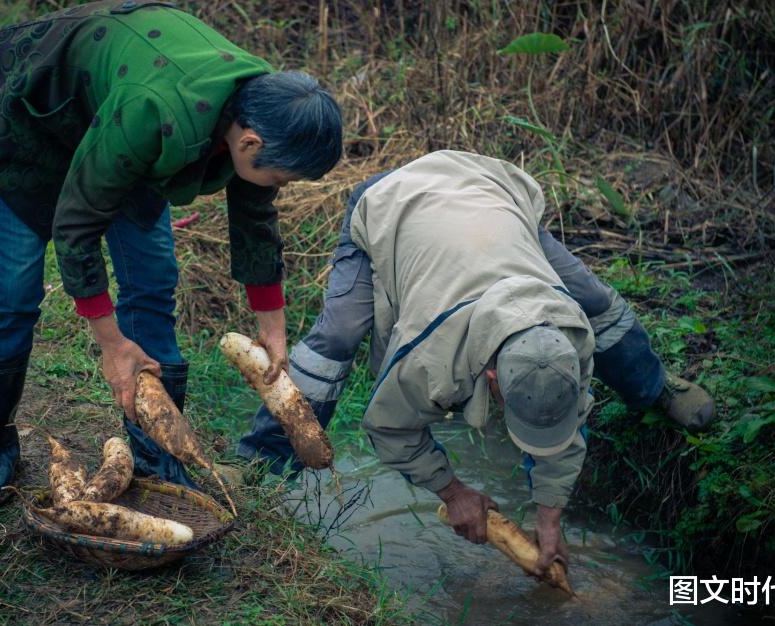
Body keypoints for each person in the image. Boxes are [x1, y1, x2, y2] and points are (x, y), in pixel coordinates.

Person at [228, 150, 715, 573]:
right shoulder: (429, 358)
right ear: (490, 376)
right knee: (336, 338)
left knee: (597, 299)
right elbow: (389, 429)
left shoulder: (570, 340)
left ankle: (654, 389)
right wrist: (452, 490)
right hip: (390, 202)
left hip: (487, 193)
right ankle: (257, 464)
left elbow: (564, 425)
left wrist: (549, 519)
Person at [0, 0, 343, 509]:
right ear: (248, 142)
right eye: (281, 177)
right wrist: (111, 344)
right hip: (40, 113)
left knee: (153, 277)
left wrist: (272, 327)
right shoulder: (157, 113)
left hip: (121, 120)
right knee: (15, 287)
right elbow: (75, 227)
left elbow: (255, 217)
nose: (279, 187)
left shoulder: (266, 113)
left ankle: (153, 454)